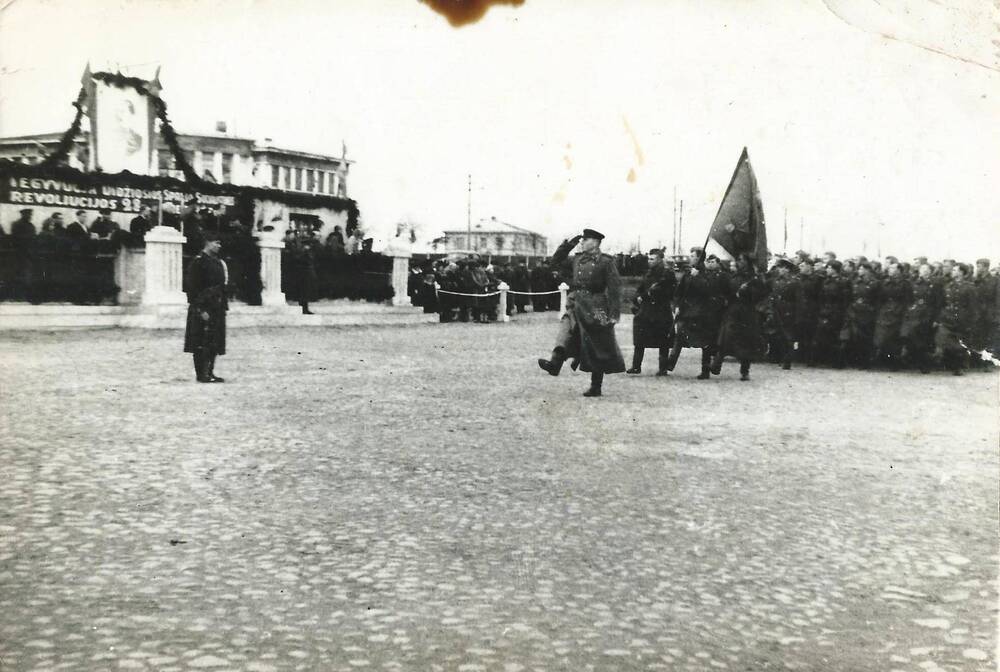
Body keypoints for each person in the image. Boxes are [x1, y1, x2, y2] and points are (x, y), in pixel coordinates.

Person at [537, 228, 625, 397]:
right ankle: (555, 364)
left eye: (585, 240)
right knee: (566, 329)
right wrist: (568, 245)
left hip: (597, 306)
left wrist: (614, 314)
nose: (582, 243)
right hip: (576, 301)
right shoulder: (577, 259)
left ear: (595, 242)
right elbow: (554, 263)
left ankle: (595, 386)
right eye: (582, 240)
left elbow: (614, 288)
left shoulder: (606, 262)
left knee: (598, 342)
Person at [664, 248, 727, 379]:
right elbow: (679, 292)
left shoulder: (707, 274)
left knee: (705, 342)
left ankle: (705, 370)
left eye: (693, 256)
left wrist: (697, 277)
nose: (690, 258)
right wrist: (676, 305)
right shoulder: (688, 273)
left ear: (699, 258)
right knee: (680, 335)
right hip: (686, 311)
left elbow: (708, 290)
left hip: (702, 313)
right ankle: (669, 364)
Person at [715, 253, 770, 380]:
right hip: (733, 311)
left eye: (741, 260)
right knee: (726, 336)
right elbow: (727, 291)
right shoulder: (734, 276)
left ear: (747, 262)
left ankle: (745, 371)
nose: (738, 262)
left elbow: (761, 294)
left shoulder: (755, 279)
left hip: (747, 313)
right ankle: (717, 362)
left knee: (746, 342)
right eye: (738, 260)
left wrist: (747, 292)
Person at [183, 232, 229, 383]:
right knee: (201, 342)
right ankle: (201, 374)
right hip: (203, 308)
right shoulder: (198, 262)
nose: (219, 246)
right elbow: (192, 288)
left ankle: (210, 371)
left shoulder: (218, 262)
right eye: (216, 242)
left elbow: (222, 286)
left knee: (214, 341)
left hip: (217, 307)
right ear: (207, 243)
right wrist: (200, 310)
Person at [627, 248, 675, 376]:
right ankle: (636, 366)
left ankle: (663, 368)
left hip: (660, 310)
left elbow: (666, 291)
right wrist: (637, 297)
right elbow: (641, 288)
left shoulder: (667, 274)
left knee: (663, 340)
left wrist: (646, 295)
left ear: (660, 259)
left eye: (652, 259)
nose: (649, 261)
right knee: (639, 338)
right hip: (646, 310)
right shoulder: (648, 273)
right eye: (649, 258)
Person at [873, 261, 911, 369]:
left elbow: (908, 299)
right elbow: (880, 297)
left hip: (898, 311)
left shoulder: (905, 283)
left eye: (893, 268)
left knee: (894, 337)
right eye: (889, 268)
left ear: (899, 270)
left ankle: (894, 362)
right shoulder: (885, 282)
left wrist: (903, 311)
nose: (890, 270)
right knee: (882, 336)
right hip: (885, 311)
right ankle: (884, 360)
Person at [766, 257, 798, 369]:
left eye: (782, 268)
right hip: (777, 310)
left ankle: (788, 360)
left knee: (788, 336)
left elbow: (799, 300)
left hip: (788, 312)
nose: (779, 270)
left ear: (787, 269)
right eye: (779, 267)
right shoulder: (776, 280)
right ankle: (780, 357)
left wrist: (796, 314)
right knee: (778, 335)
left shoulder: (794, 282)